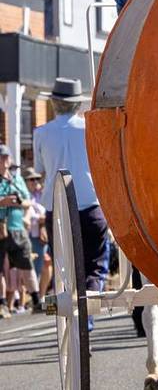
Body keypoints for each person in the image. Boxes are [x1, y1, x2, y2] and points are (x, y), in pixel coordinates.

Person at [33, 78, 110, 303]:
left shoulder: (41, 133)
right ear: (77, 104)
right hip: (89, 204)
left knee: (64, 267)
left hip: (57, 208)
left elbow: (40, 170)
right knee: (95, 265)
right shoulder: (89, 129)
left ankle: (70, 308)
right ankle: (88, 311)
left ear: (55, 103)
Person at [0, 145, 43, 313]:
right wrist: (3, 202)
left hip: (18, 229)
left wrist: (17, 202)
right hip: (1, 229)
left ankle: (36, 300)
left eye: (6, 157)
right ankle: (2, 304)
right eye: (1, 157)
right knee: (1, 268)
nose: (4, 160)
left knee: (26, 264)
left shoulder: (16, 179)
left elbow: (28, 202)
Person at [22, 168, 49, 294]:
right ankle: (34, 296)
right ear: (26, 181)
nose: (35, 182)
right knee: (34, 267)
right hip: (30, 236)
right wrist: (42, 218)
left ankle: (40, 295)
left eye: (37, 179)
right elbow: (32, 216)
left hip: (42, 235)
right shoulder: (24, 195)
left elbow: (46, 210)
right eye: (32, 179)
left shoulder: (41, 194)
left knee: (46, 264)